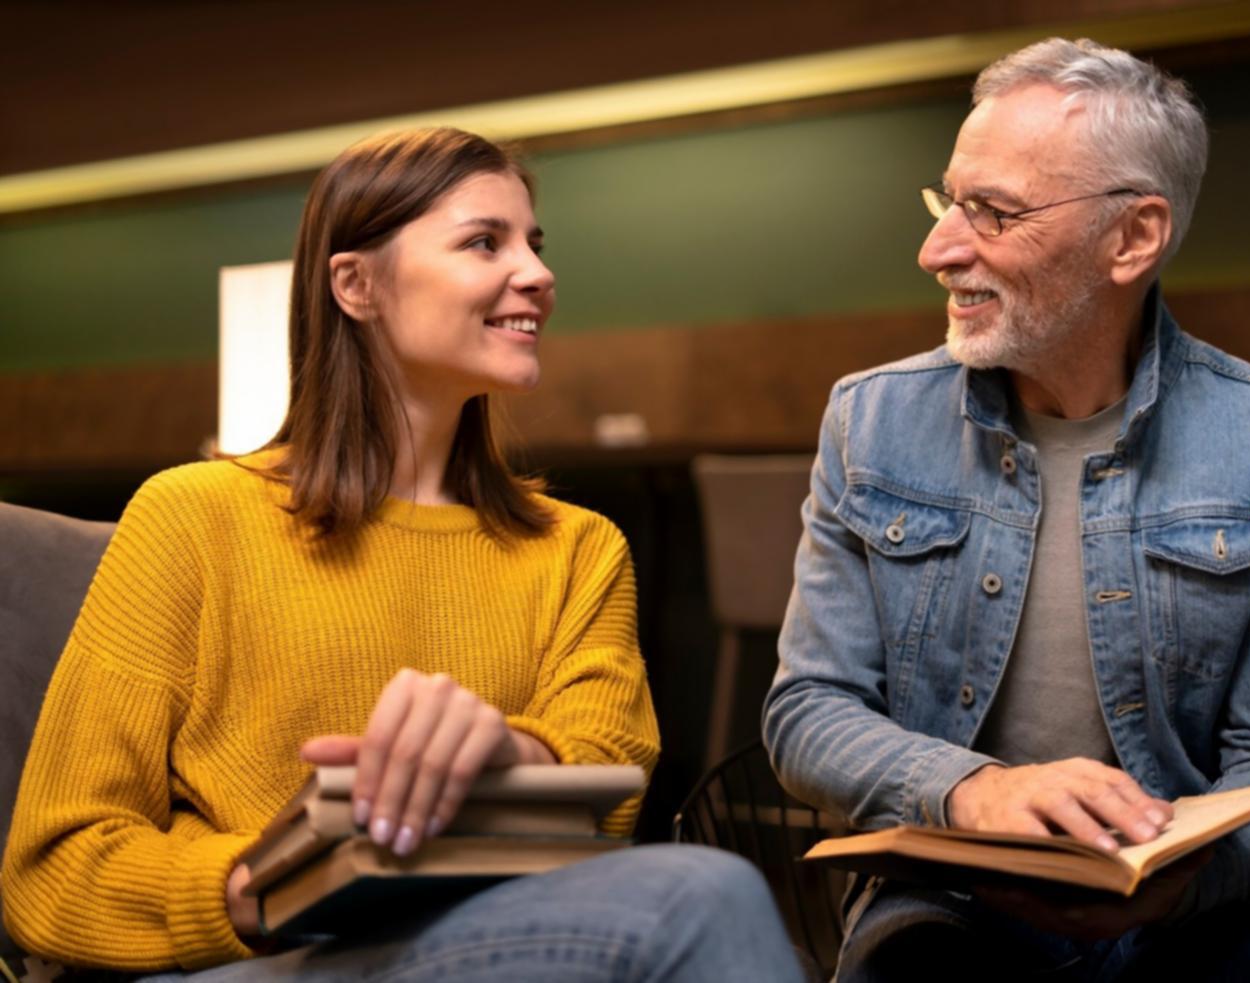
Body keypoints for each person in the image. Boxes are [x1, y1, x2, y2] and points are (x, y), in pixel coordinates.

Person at [3, 126, 803, 982]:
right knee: (701, 896)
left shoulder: (577, 548)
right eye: (484, 242)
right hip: (253, 958)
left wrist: (507, 757)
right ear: (355, 283)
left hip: (475, 941)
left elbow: (608, 800)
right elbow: (53, 869)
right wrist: (277, 882)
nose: (536, 273)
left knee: (688, 891)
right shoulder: (193, 516)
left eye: (534, 243)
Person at [763, 38, 1250, 982]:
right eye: (947, 200)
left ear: (1132, 238)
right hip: (952, 899)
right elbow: (808, 711)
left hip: (1207, 904)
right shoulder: (868, 421)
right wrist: (975, 790)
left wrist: (1179, 882)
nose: (937, 247)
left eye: (992, 212)